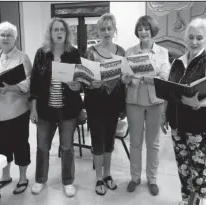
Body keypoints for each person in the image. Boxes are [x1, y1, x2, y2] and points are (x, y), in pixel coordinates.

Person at [161, 18, 206, 205]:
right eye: (191, 37)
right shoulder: (177, 62)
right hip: (177, 122)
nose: (194, 42)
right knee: (183, 166)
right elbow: (169, 91)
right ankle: (186, 199)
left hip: (201, 125)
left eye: (199, 38)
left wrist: (199, 103)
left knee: (199, 169)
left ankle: (202, 201)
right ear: (185, 38)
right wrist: (165, 114)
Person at [29, 17, 82, 197]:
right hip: (45, 109)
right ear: (50, 33)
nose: (59, 33)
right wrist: (33, 109)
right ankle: (40, 179)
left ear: (66, 33)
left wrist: (78, 85)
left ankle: (68, 181)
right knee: (42, 147)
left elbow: (80, 79)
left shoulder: (73, 53)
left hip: (68, 109)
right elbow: (35, 84)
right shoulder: (41, 54)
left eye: (62, 30)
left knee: (67, 147)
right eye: (55, 30)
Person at [121, 15, 170, 196]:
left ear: (152, 30)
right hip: (133, 101)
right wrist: (126, 78)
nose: (143, 32)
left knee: (153, 143)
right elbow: (124, 77)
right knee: (135, 142)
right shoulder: (130, 51)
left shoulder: (162, 52)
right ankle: (135, 177)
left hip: (155, 102)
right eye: (140, 29)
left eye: (146, 28)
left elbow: (164, 77)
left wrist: (144, 76)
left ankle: (152, 179)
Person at [0, 21, 33, 195]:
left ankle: (23, 177)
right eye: (2, 35)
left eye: (9, 35)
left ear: (15, 38)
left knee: (20, 144)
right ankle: (5, 175)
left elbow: (29, 82)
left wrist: (10, 88)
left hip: (17, 109)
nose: (5, 38)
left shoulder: (22, 57)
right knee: (2, 144)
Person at [84, 13, 126, 196]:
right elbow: (84, 79)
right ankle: (99, 178)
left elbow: (123, 80)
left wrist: (126, 78)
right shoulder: (90, 52)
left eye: (110, 28)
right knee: (98, 141)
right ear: (98, 31)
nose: (106, 32)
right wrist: (90, 83)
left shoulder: (122, 52)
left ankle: (108, 175)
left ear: (114, 30)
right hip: (95, 103)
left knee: (109, 141)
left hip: (114, 102)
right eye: (103, 29)